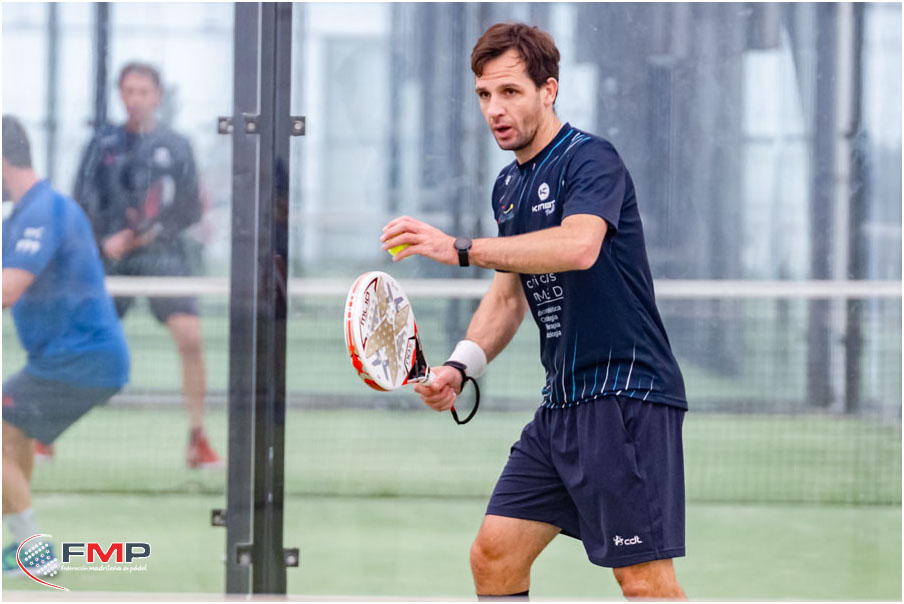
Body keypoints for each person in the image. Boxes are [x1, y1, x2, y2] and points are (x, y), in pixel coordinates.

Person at [381, 23, 688, 599]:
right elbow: (507, 296)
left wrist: (459, 248)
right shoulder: (509, 188)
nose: (494, 109)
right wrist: (460, 367)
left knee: (644, 582)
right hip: (562, 406)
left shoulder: (592, 160)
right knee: (494, 555)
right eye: (483, 94)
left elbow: (578, 246)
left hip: (625, 398)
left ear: (549, 90)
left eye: (510, 92)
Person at [72, 61, 221, 469]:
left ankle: (198, 439)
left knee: (190, 338)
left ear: (158, 96)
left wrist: (151, 233)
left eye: (143, 91)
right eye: (128, 91)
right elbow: (81, 200)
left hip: (162, 256)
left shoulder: (177, 146)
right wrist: (106, 241)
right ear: (120, 95)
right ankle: (43, 435)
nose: (135, 99)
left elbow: (191, 207)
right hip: (112, 260)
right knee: (80, 342)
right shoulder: (101, 145)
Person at [2, 115, 130, 576]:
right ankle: (23, 547)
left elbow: (8, 289)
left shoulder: (45, 210)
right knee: (11, 433)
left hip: (81, 359)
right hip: (65, 359)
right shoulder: (24, 215)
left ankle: (33, 553)